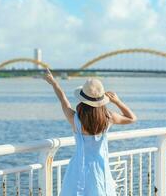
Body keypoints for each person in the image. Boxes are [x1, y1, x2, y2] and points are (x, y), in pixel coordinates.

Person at [43, 68, 137, 196]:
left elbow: (63, 99)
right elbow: (132, 118)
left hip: (78, 168)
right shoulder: (108, 118)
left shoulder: (75, 119)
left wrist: (54, 83)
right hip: (100, 168)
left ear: (83, 99)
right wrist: (117, 101)